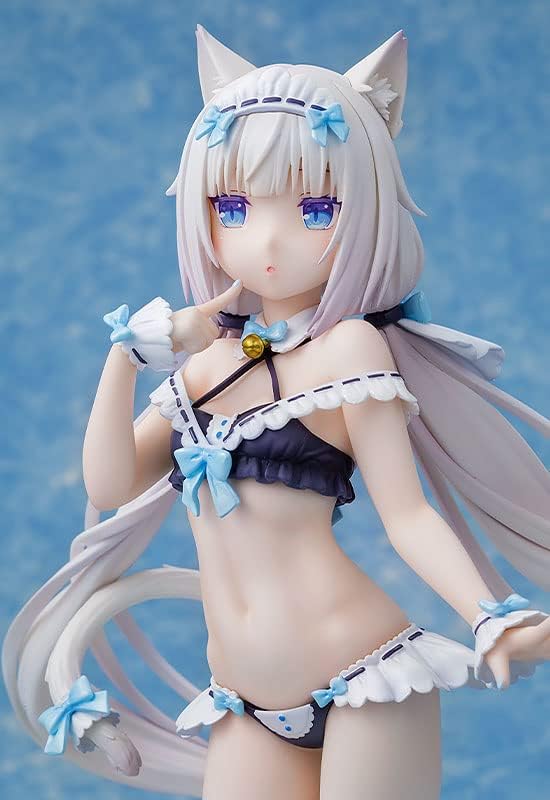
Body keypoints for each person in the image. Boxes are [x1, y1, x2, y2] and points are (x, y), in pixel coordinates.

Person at [3, 24, 550, 800]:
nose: (266, 240)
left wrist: (489, 615)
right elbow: (110, 483)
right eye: (232, 206)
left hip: (361, 673)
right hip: (244, 700)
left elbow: (408, 515)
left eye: (316, 209)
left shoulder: (349, 349)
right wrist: (124, 358)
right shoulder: (204, 366)